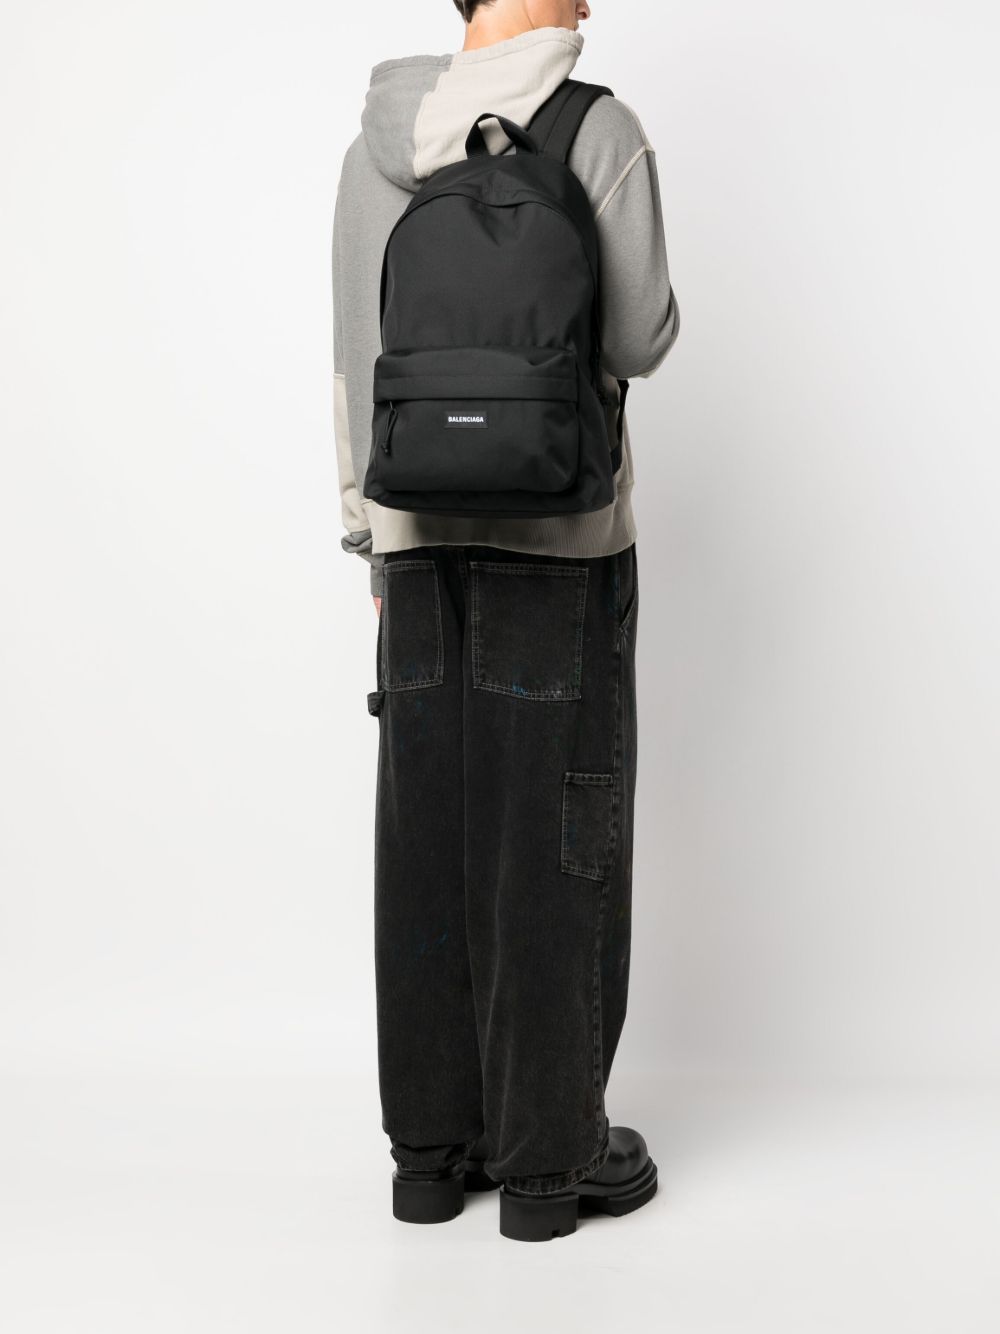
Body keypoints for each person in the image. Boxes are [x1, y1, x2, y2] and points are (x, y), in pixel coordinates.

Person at [331, 0, 679, 1241]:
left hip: (414, 538)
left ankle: (431, 1156)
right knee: (553, 834)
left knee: (426, 830)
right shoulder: (597, 130)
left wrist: (370, 534)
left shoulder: (379, 137)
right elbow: (638, 335)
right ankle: (546, 1163)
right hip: (560, 541)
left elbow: (355, 356)